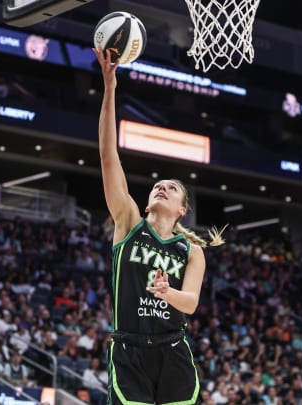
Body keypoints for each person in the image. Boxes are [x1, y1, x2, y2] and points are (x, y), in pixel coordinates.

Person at [93, 48, 226, 405]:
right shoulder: (128, 221)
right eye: (158, 185)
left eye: (171, 188)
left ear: (182, 209)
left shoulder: (191, 252)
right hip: (129, 351)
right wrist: (110, 88)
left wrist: (167, 293)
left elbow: (192, 303)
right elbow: (108, 157)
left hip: (173, 352)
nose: (161, 187)